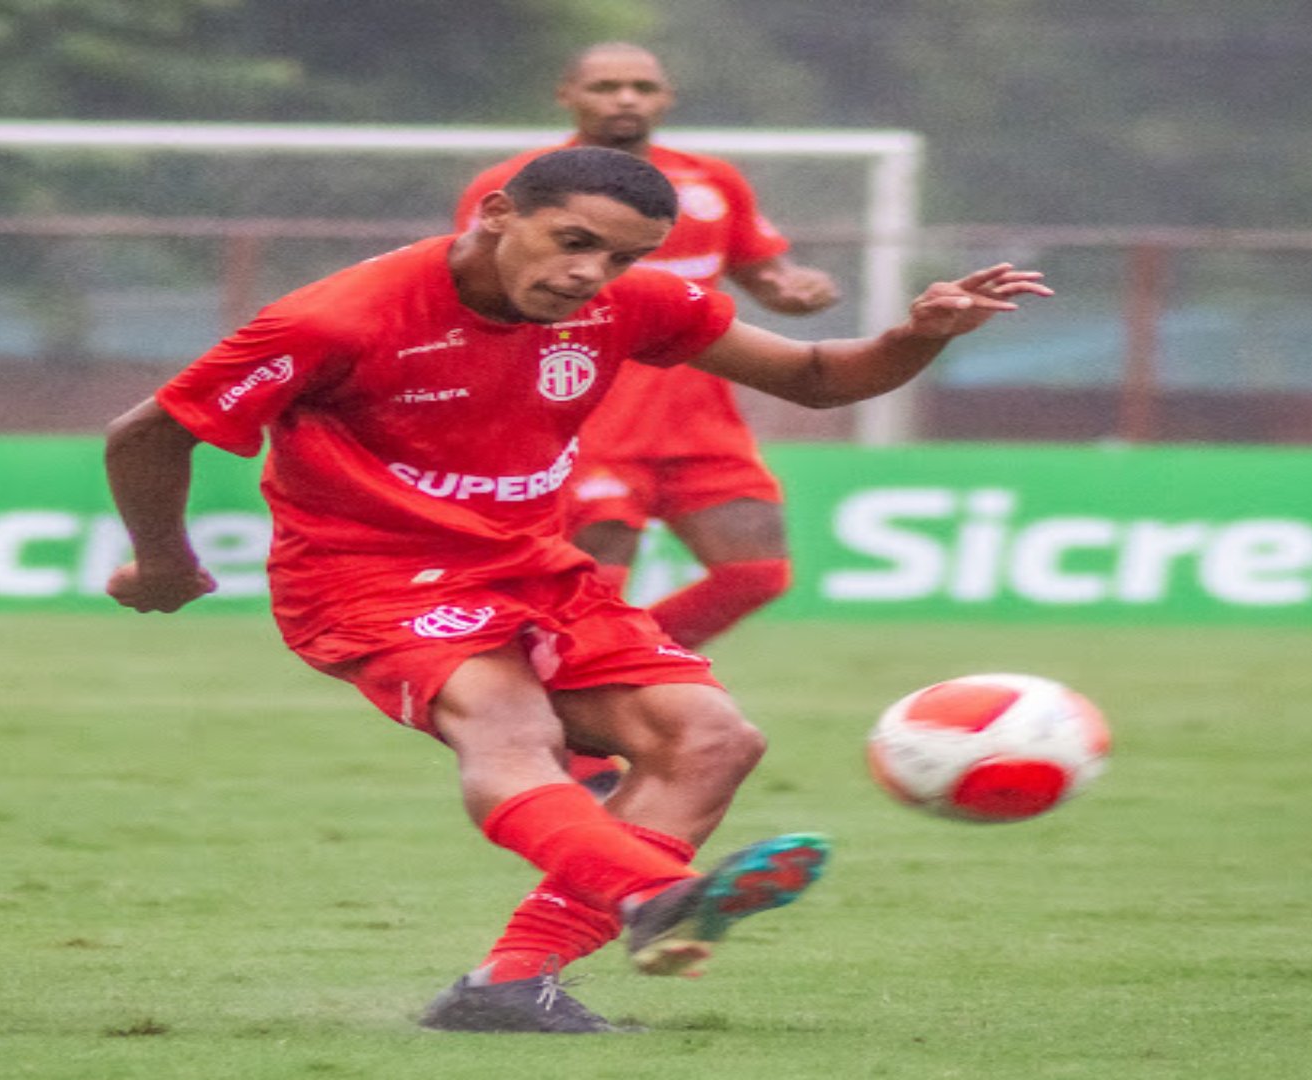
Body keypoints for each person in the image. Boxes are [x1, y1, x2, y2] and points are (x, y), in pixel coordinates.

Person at [105, 147, 1049, 1033]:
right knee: (512, 727)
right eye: (574, 242)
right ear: (497, 213)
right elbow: (149, 431)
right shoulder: (338, 318)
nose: (591, 274)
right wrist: (162, 563)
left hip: (534, 569)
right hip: (370, 579)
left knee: (712, 740)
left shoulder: (630, 303)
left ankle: (509, 987)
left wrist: (918, 336)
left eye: (622, 257)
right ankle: (650, 892)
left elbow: (812, 377)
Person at [456, 43, 841, 793]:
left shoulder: (711, 181)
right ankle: (595, 755)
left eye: (641, 86)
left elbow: (761, 272)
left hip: (702, 417)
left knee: (757, 569)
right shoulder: (511, 186)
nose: (624, 99)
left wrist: (790, 290)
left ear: (666, 98)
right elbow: (473, 285)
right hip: (585, 412)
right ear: (569, 93)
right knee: (593, 588)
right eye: (605, 86)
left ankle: (606, 687)